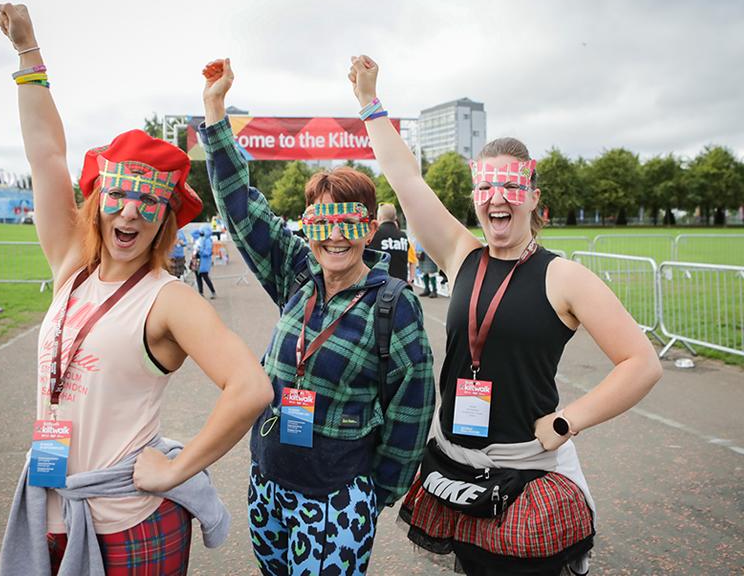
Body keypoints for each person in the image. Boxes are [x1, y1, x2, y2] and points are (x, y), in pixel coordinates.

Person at [348, 55, 662, 576]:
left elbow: (641, 362)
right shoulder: (461, 254)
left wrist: (569, 420)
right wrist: (368, 102)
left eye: (511, 190)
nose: (497, 200)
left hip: (527, 474)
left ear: (534, 199)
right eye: (486, 189)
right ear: (475, 197)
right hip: (456, 464)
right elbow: (406, 180)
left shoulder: (563, 277)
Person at [0, 4, 273, 576]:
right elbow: (46, 155)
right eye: (118, 198)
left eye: (149, 203)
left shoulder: (167, 298)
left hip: (127, 523)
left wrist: (176, 470)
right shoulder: (71, 262)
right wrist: (28, 51)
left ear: (166, 219)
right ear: (97, 203)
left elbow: (251, 387)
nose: (130, 213)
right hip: (47, 511)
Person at [199, 59, 436, 575]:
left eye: (349, 222)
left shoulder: (392, 305)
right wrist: (215, 111)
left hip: (337, 498)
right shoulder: (296, 274)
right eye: (322, 221)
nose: (335, 236)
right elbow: (241, 208)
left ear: (369, 229)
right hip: (270, 481)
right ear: (308, 227)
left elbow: (413, 406)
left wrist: (377, 493)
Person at [367, 202, 416, 284]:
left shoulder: (375, 233)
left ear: (380, 217)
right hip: (400, 285)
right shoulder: (403, 236)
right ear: (395, 217)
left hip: (379, 284)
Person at [193, 225, 217, 299]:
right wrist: (199, 229)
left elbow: (207, 252)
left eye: (202, 231)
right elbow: (193, 233)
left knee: (205, 277)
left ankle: (213, 292)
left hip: (204, 261)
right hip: (197, 260)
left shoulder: (208, 240)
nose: (201, 233)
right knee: (198, 276)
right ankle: (201, 293)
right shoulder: (200, 238)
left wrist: (199, 250)